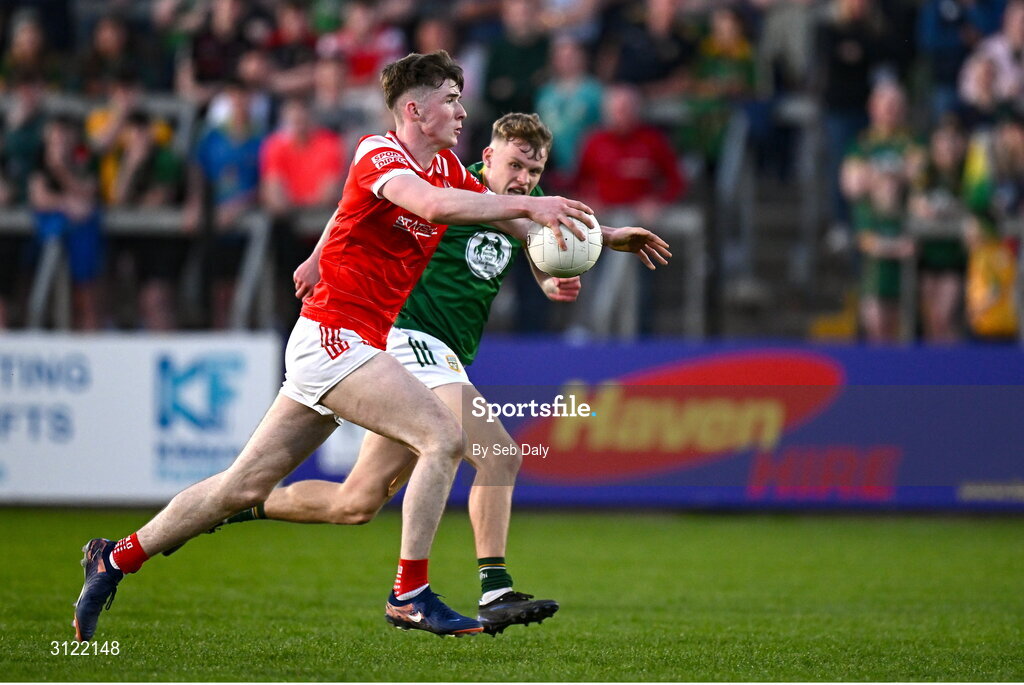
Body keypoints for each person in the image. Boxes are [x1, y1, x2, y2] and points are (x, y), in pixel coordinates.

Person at [71, 50, 663, 642]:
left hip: (356, 344)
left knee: (245, 488)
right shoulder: (380, 153)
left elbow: (510, 224)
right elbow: (431, 206)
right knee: (444, 437)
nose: (462, 109)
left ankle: (115, 558)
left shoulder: (450, 169)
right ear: (415, 109)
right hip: (335, 336)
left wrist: (605, 238)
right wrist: (531, 200)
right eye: (450, 99)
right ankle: (409, 595)